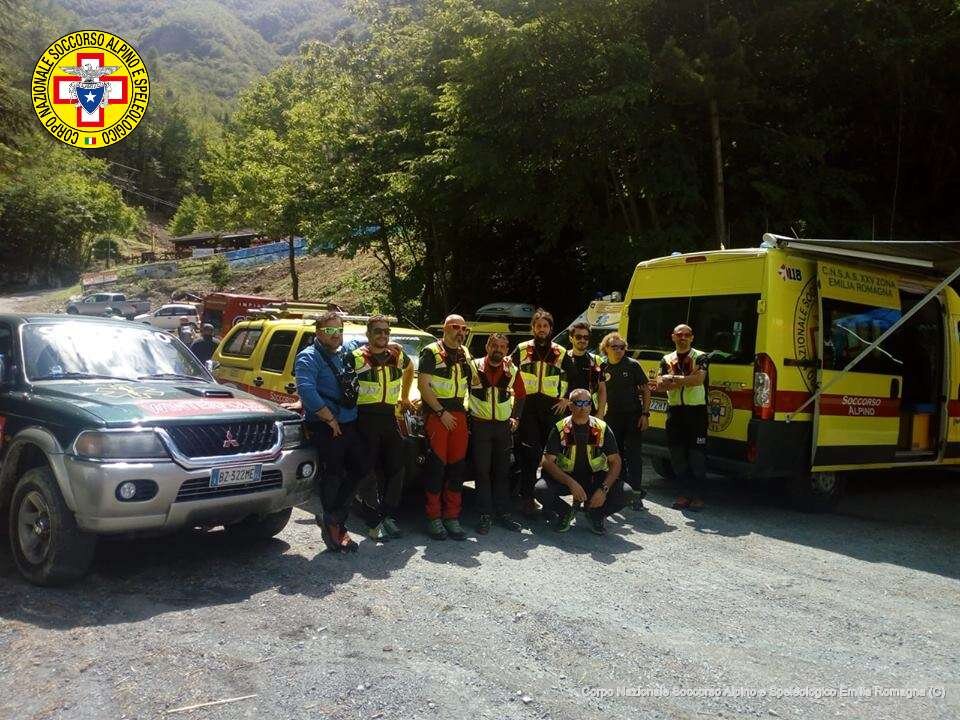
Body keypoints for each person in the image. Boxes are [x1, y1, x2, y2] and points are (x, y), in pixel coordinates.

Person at [295, 311, 372, 552]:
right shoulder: (309, 357)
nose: (335, 334)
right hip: (326, 425)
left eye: (339, 330)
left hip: (348, 422)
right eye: (329, 330)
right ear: (318, 333)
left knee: (361, 468)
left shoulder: (344, 352)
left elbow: (362, 341)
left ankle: (333, 518)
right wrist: (329, 419)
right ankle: (334, 527)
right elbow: (306, 391)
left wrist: (390, 344)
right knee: (334, 474)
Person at [345, 315, 415, 542]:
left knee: (397, 468)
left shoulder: (396, 354)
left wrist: (404, 397)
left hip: (388, 417)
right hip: (365, 419)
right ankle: (373, 523)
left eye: (386, 331)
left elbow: (410, 366)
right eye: (378, 331)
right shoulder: (356, 358)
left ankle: (387, 515)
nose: (383, 335)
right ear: (368, 334)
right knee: (367, 473)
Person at [536, 388, 631, 535]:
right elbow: (547, 461)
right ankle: (566, 513)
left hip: (594, 478)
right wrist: (571, 483)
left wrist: (604, 489)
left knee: (626, 492)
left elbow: (615, 461)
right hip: (567, 478)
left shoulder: (599, 428)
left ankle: (595, 514)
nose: (584, 407)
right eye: (579, 403)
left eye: (587, 403)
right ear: (570, 406)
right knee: (541, 489)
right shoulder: (562, 428)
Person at [511, 309, 576, 516]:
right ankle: (527, 498)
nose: (541, 329)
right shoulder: (521, 349)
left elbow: (576, 377)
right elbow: (506, 371)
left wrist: (567, 400)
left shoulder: (560, 351)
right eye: (538, 326)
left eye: (545, 326)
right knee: (530, 454)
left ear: (550, 329)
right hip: (528, 408)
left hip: (551, 410)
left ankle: (548, 499)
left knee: (551, 456)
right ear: (533, 328)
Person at [418, 314, 473, 540]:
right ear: (445, 328)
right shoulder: (431, 351)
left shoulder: (464, 353)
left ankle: (452, 516)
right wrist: (441, 412)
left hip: (459, 415)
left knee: (457, 468)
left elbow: (473, 382)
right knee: (436, 467)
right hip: (438, 416)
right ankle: (434, 518)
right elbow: (423, 385)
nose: (460, 331)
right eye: (455, 327)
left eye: (463, 328)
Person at [468, 333, 525, 534]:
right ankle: (484, 514)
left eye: (502, 347)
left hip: (502, 427)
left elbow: (521, 395)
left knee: (502, 472)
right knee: (482, 472)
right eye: (495, 345)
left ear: (507, 350)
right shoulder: (473, 366)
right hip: (480, 425)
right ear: (487, 346)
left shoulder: (511, 369)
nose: (498, 350)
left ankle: (504, 513)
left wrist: (516, 417)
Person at [651, 323, 708, 511]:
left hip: (696, 411)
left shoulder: (700, 356)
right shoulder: (666, 359)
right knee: (677, 455)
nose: (683, 338)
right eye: (679, 335)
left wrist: (673, 379)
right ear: (673, 337)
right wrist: (685, 380)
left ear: (692, 337)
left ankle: (698, 496)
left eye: (687, 335)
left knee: (696, 456)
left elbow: (699, 379)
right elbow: (659, 385)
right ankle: (684, 494)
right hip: (675, 412)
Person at [600, 332, 650, 510]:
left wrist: (645, 414)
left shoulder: (633, 365)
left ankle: (635, 494)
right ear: (605, 348)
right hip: (611, 417)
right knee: (615, 456)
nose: (619, 350)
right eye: (615, 347)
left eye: (622, 347)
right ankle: (618, 492)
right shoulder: (602, 367)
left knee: (634, 455)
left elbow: (646, 391)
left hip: (633, 416)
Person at [566, 321, 606, 416]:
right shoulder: (562, 358)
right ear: (571, 339)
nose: (582, 340)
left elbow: (602, 389)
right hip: (566, 411)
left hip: (589, 412)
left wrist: (600, 413)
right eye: (578, 337)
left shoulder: (597, 361)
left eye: (586, 337)